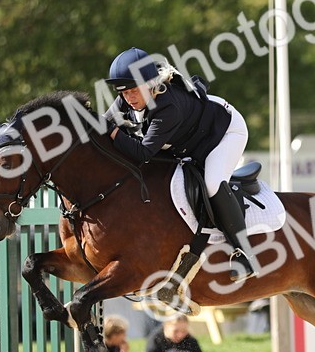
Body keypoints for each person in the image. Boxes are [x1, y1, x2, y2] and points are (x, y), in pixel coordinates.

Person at [104, 47, 255, 281]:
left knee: (212, 183)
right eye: (124, 93)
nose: (129, 98)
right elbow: (103, 126)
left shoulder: (168, 107)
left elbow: (142, 152)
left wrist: (112, 131)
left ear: (150, 83)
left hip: (224, 132)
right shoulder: (128, 97)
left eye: (134, 91)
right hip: (190, 140)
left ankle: (244, 253)